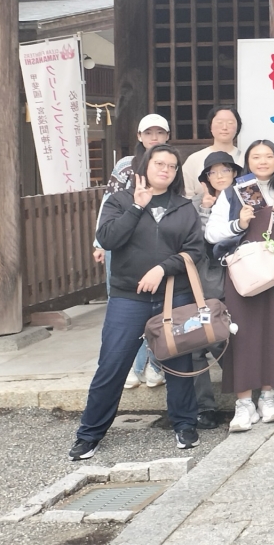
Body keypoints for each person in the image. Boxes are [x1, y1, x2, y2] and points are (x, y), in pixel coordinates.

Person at [70, 145, 207, 460]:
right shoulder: (119, 200)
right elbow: (107, 239)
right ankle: (89, 434)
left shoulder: (183, 206)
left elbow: (195, 250)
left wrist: (162, 269)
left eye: (172, 166)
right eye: (159, 163)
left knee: (179, 364)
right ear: (144, 166)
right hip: (128, 297)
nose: (165, 169)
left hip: (175, 294)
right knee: (113, 365)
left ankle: (185, 425)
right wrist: (136, 207)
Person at [205, 140, 274, 430]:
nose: (262, 161)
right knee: (242, 335)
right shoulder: (234, 192)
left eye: (268, 156)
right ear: (247, 161)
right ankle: (244, 403)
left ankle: (269, 397)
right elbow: (211, 233)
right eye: (255, 157)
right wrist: (239, 224)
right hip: (242, 275)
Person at [94, 112, 171, 392]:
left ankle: (155, 365)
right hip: (123, 242)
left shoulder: (169, 164)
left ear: (167, 136)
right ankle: (131, 366)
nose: (154, 137)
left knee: (158, 305)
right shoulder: (126, 165)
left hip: (157, 244)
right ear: (139, 137)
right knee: (126, 306)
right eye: (148, 133)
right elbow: (108, 202)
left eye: (160, 133)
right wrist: (99, 243)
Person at [190, 150, 243, 430]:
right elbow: (196, 241)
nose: (220, 176)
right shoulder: (197, 203)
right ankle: (205, 407)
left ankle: (244, 397)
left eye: (225, 170)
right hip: (205, 282)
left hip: (242, 279)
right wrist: (205, 210)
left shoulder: (245, 196)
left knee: (231, 342)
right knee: (201, 342)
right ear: (206, 178)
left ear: (235, 173)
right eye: (214, 172)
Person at [182, 106, 244, 200]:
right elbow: (186, 195)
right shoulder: (194, 159)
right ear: (210, 126)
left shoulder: (246, 158)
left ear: (238, 127)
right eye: (219, 123)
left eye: (230, 123)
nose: (224, 127)